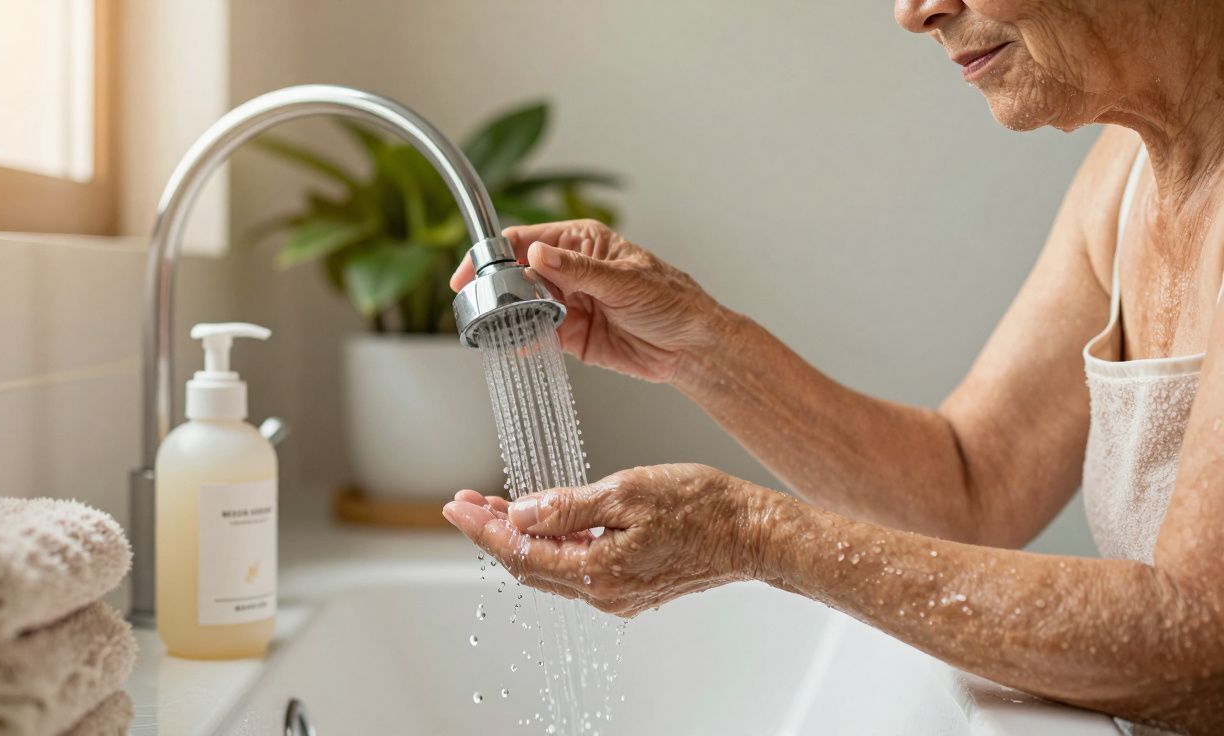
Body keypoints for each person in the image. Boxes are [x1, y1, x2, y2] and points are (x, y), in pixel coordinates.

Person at [443, 2, 1224, 732]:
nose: (914, 12)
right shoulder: (1125, 176)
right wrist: (697, 341)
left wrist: (753, 534)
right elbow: (972, 486)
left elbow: (1204, 638)